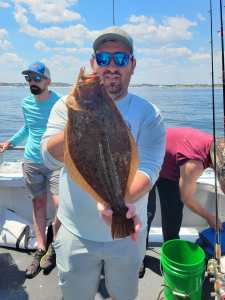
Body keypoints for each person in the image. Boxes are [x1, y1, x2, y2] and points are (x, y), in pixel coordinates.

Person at [41, 27, 165, 300]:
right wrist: (79, 124)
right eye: (103, 58)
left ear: (132, 65)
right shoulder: (66, 105)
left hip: (127, 233)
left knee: (124, 294)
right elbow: (48, 157)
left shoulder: (148, 113)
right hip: (75, 232)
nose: (111, 66)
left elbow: (150, 167)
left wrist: (117, 203)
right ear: (93, 62)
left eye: (120, 59)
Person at [0, 61, 61, 278]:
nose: (32, 82)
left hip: (55, 162)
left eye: (37, 78)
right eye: (29, 78)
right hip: (31, 161)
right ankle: (41, 249)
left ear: (48, 81)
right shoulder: (26, 103)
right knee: (38, 204)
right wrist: (11, 141)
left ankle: (54, 247)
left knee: (60, 205)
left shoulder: (60, 103)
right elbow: (28, 128)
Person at [139, 127, 224, 278]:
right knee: (146, 214)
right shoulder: (194, 165)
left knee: (173, 218)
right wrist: (208, 216)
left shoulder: (215, 144)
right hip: (147, 164)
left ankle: (171, 259)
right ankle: (138, 258)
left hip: (171, 168)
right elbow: (186, 197)